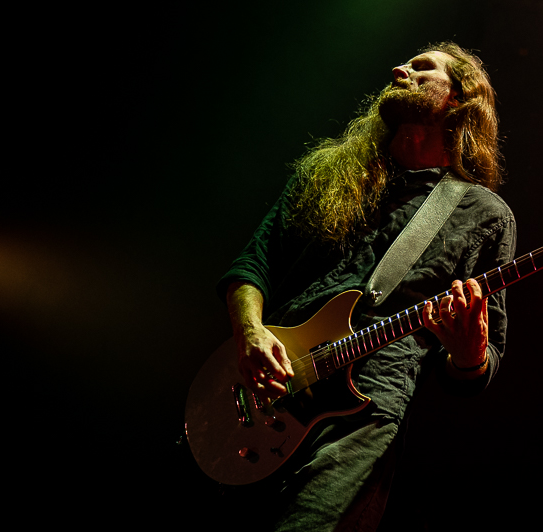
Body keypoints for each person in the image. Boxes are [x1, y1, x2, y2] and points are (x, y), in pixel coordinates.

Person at [215, 42, 516, 531]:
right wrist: (250, 331)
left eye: (421, 68)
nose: (399, 69)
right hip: (267, 385)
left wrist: (469, 354)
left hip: (361, 416)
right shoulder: (328, 174)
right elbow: (253, 264)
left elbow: (479, 365)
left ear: (459, 99)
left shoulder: (483, 215)